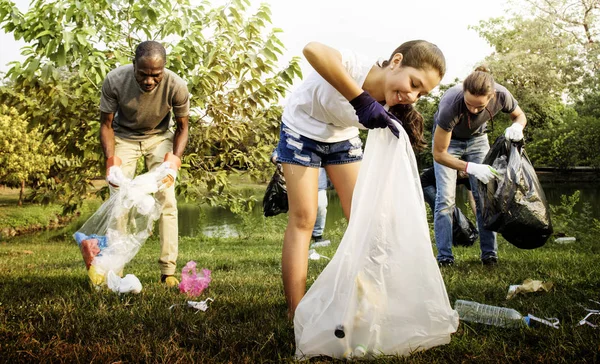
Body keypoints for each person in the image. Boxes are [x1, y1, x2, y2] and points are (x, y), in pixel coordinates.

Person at [277, 40, 446, 318]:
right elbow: (312, 50)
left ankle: (367, 297)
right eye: (413, 83)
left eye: (421, 93)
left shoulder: (392, 105)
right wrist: (361, 99)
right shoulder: (355, 63)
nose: (413, 96)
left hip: (342, 137)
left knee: (364, 216)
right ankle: (296, 310)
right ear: (396, 61)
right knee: (304, 217)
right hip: (302, 127)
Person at [99, 40, 190, 287]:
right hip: (124, 137)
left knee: (167, 198)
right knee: (119, 198)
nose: (149, 81)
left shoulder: (176, 85)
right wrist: (111, 163)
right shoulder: (115, 80)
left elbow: (182, 128)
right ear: (134, 66)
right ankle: (115, 269)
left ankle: (168, 271)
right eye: (143, 74)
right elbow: (106, 125)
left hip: (159, 137)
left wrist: (173, 163)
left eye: (155, 75)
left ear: (164, 70)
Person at [432, 66, 527, 267]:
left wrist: (517, 126)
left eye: (479, 107)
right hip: (450, 142)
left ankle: (489, 255)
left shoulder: (502, 95)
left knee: (485, 199)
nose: (473, 110)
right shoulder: (451, 104)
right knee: (445, 200)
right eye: (469, 104)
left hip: (478, 140)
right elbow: (439, 154)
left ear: (491, 96)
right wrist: (471, 168)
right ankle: (445, 258)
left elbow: (520, 115)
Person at [311, 168, 329, 243]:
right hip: (300, 185)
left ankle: (317, 235)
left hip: (320, 185)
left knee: (321, 206)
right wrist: (275, 157)